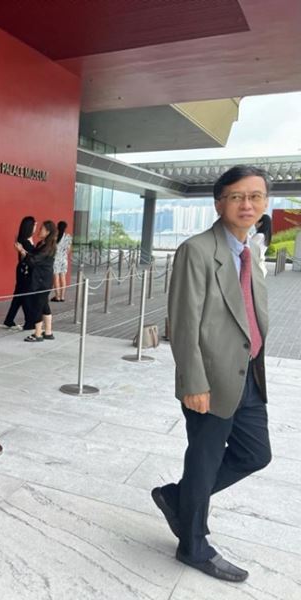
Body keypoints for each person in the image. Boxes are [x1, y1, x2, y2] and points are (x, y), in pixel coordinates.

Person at [152, 165, 271, 583]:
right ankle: (193, 544)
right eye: (237, 196)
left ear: (265, 202)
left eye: (255, 196)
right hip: (211, 379)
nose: (247, 204)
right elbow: (184, 322)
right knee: (205, 461)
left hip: (249, 375)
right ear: (219, 203)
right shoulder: (197, 250)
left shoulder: (250, 249)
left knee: (256, 454)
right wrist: (193, 382)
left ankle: (178, 499)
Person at [21, 220, 57, 342]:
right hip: (42, 279)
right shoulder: (42, 244)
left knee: (37, 306)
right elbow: (34, 254)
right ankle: (48, 332)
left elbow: (34, 260)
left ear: (47, 232)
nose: (39, 230)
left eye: (41, 228)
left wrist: (22, 252)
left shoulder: (48, 246)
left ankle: (37, 334)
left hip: (42, 281)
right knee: (44, 305)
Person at [3, 216, 36, 330]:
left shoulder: (24, 239)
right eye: (34, 225)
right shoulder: (25, 241)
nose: (36, 227)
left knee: (18, 295)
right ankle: (29, 322)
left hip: (22, 270)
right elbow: (31, 256)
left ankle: (9, 319)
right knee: (24, 295)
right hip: (25, 270)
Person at [51, 220, 72, 302]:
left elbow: (52, 248)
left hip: (55, 259)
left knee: (56, 278)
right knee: (63, 277)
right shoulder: (68, 237)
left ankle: (57, 296)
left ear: (57, 227)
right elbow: (68, 250)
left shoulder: (54, 236)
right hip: (64, 260)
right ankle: (62, 296)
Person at [252, 213, 271, 277]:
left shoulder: (259, 235)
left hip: (255, 265)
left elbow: (248, 247)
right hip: (261, 264)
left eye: (256, 221)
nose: (254, 223)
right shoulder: (266, 236)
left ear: (261, 223)